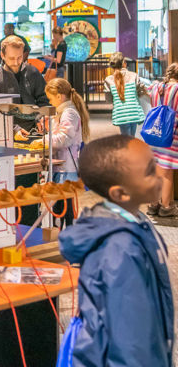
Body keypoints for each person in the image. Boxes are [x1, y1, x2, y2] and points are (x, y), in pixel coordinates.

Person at [59, 135, 173, 367]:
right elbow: (129, 338)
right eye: (150, 171)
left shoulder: (136, 224)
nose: (159, 176)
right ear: (120, 194)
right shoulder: (120, 249)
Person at [40, 78, 90, 228]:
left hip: (66, 168)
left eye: (50, 98)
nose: (50, 102)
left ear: (59, 96)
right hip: (64, 166)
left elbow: (65, 139)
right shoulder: (66, 112)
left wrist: (44, 140)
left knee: (63, 206)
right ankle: (63, 234)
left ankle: (63, 235)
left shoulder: (69, 113)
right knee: (63, 205)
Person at [0, 35, 50, 131]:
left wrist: (42, 117)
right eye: (12, 58)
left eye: (19, 57)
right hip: (8, 132)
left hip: (35, 129)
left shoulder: (33, 72)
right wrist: (15, 130)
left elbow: (44, 99)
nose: (16, 63)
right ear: (2, 56)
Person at [146, 63, 178, 217]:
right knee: (166, 172)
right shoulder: (177, 89)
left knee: (156, 170)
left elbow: (146, 91)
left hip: (153, 134)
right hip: (170, 136)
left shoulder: (156, 87)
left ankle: (153, 205)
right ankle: (166, 207)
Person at [104, 52, 146, 137]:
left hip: (121, 113)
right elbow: (141, 91)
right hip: (134, 111)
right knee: (132, 136)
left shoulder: (109, 80)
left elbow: (108, 99)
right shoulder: (134, 75)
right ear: (124, 63)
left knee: (125, 138)